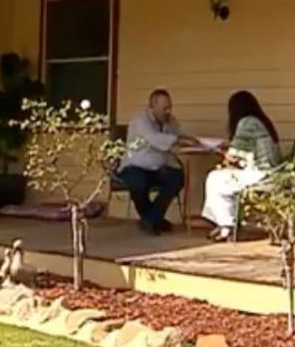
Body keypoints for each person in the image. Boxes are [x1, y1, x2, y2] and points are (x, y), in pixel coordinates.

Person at [202, 90, 281, 241]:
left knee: (215, 178)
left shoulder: (247, 122)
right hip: (270, 171)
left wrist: (219, 152)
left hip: (262, 174)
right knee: (220, 179)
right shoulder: (260, 121)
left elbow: (232, 157)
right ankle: (225, 223)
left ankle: (226, 225)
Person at [117, 89, 197, 235]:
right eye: (164, 108)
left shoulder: (171, 121)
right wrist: (179, 140)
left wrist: (193, 142)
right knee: (138, 183)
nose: (168, 112)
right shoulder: (140, 120)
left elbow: (176, 138)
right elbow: (155, 138)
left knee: (177, 177)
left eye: (170, 108)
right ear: (152, 106)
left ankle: (151, 219)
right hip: (135, 166)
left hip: (158, 167)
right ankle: (154, 219)